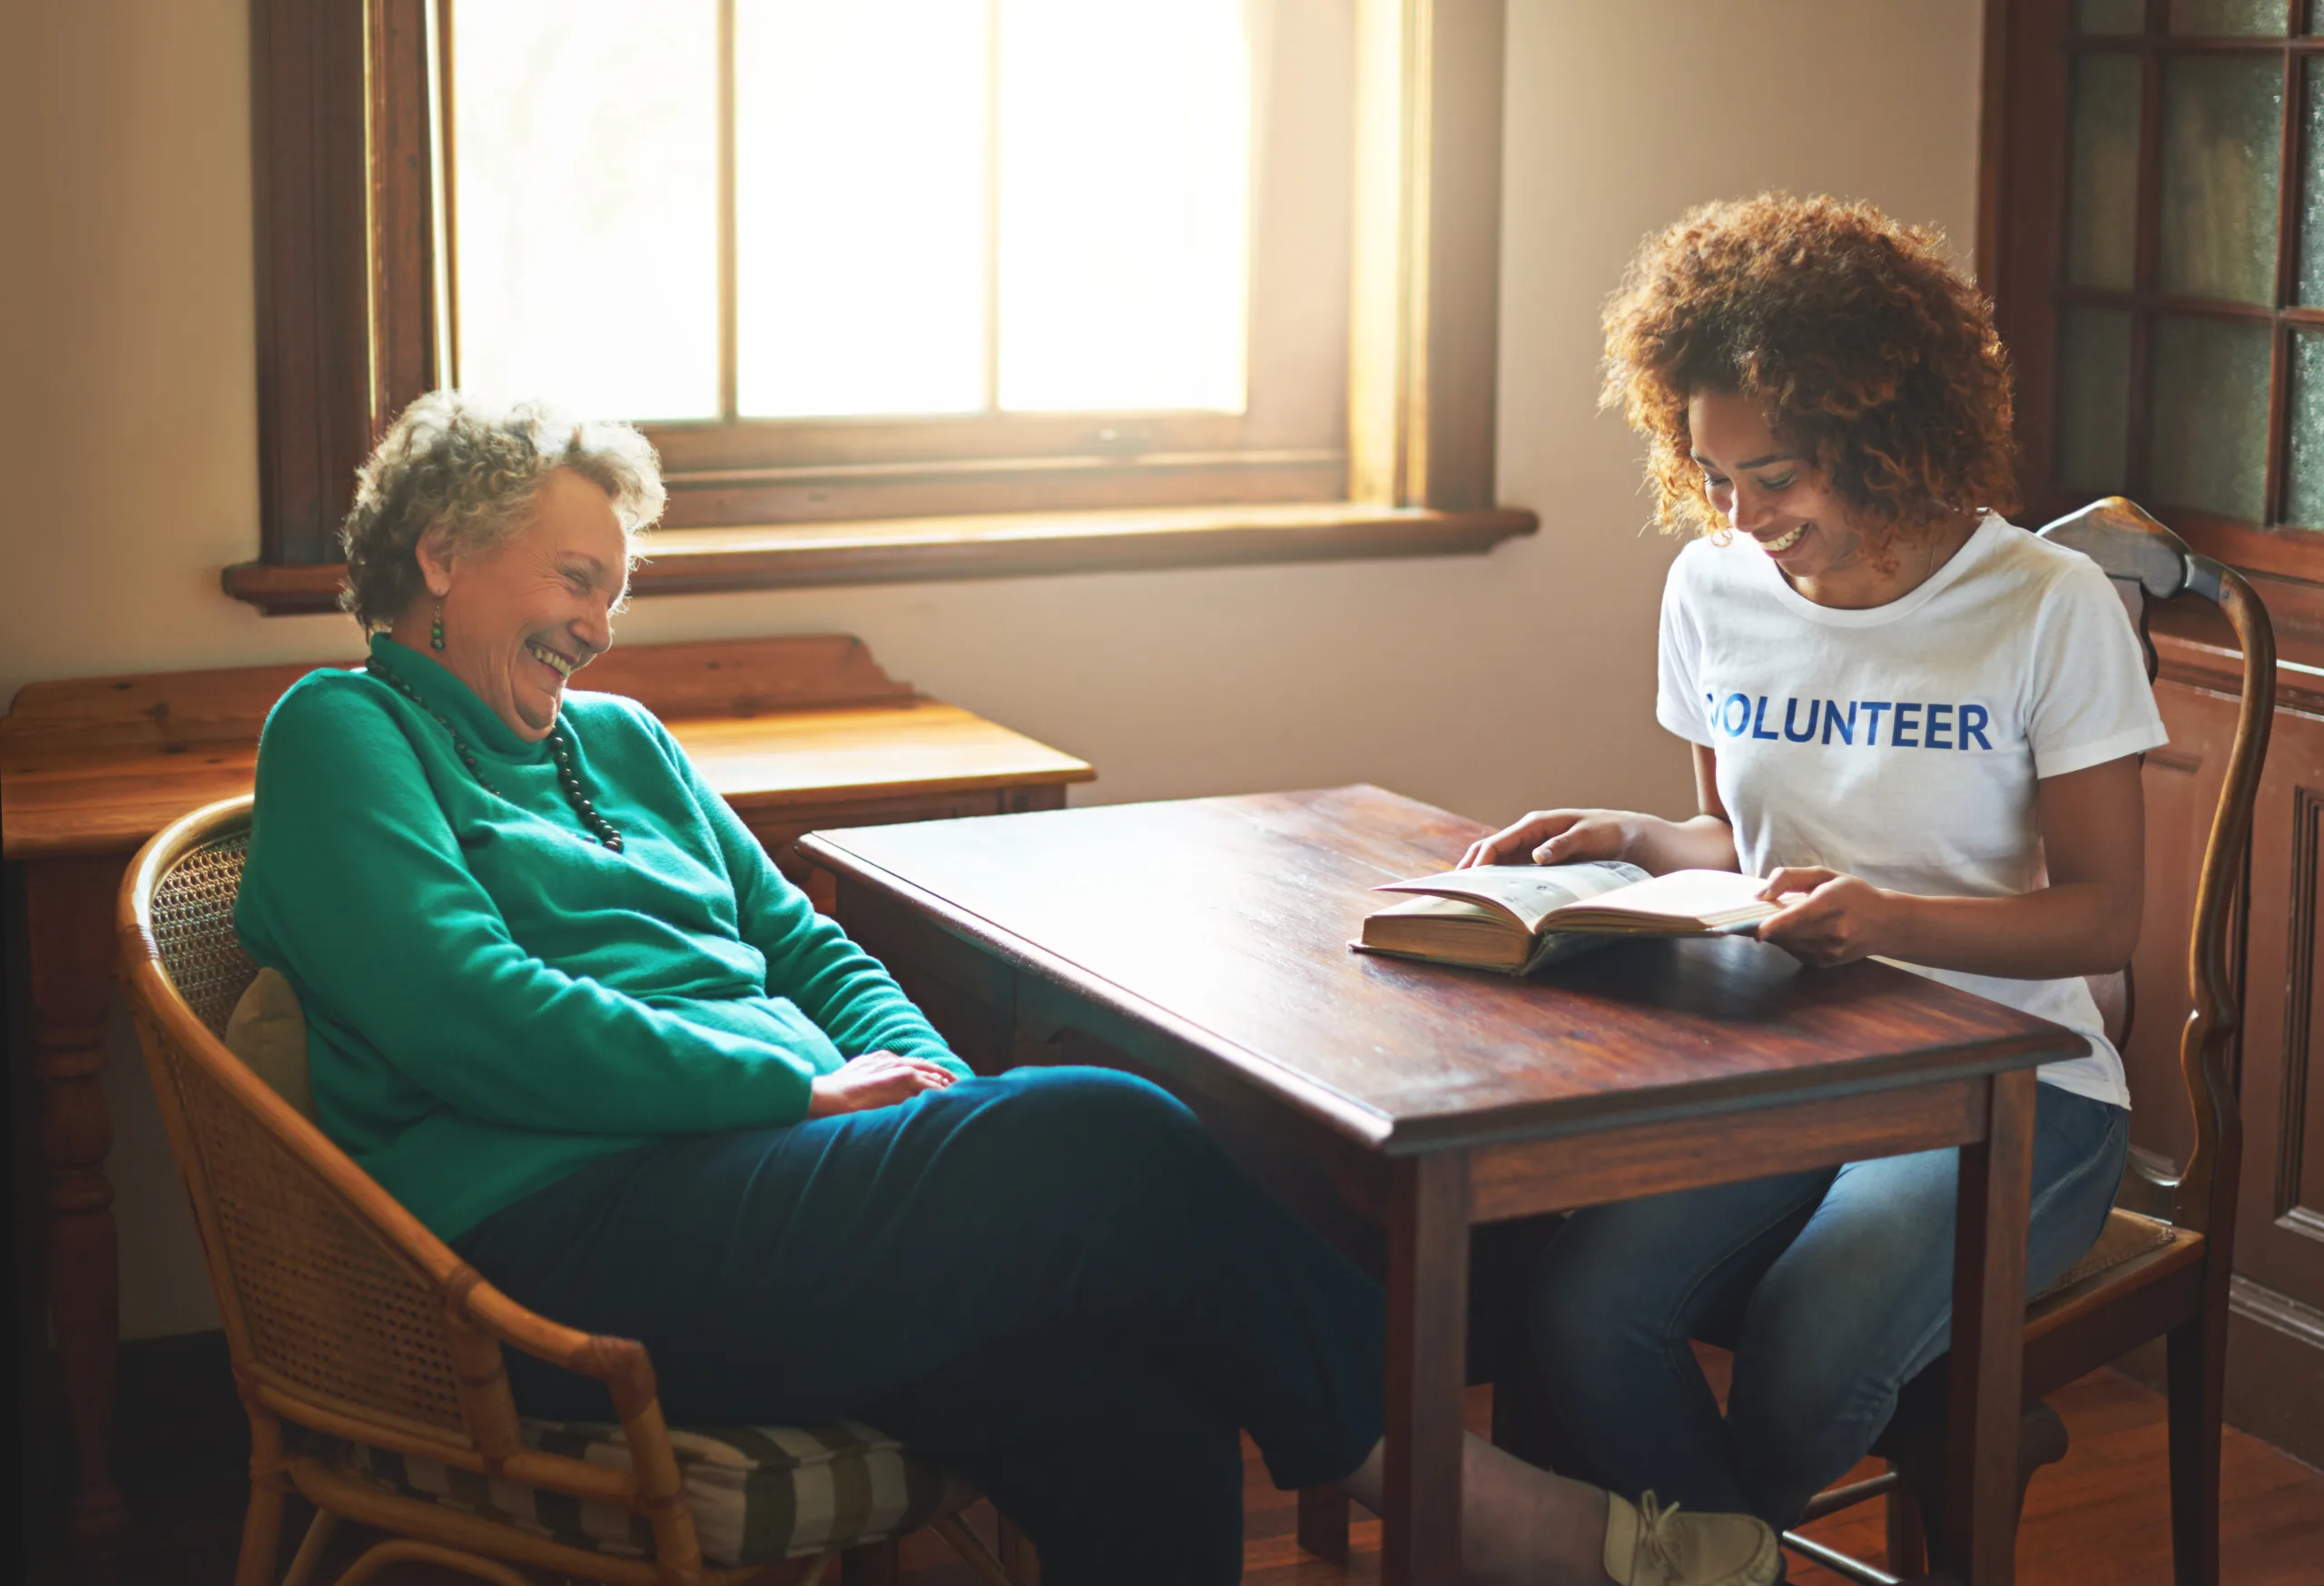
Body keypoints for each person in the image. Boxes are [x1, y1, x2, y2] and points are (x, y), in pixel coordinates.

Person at [234, 390, 1779, 1586]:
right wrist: (800, 1088)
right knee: (1102, 1126)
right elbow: (470, 1006)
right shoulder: (344, 733)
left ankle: (1445, 1489)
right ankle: (1461, 1500)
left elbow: (811, 949)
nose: (597, 621)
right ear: (439, 554)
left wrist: (937, 1103)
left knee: (1120, 1388)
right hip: (557, 1248)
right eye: (574, 577)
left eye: (616, 591)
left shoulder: (624, 741)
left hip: (771, 1185)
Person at [1467, 194, 2152, 1532]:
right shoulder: (1713, 589)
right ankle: (1726, 1566)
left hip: (2018, 1085)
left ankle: (1689, 1559)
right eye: (1714, 473)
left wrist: (1886, 918)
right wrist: (1628, 839)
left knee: (1803, 1349)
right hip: (1790, 1058)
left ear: (1881, 436)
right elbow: (1744, 846)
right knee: (1585, 1307)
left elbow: (2106, 915)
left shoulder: (2042, 606)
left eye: (1774, 475)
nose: (1742, 511)